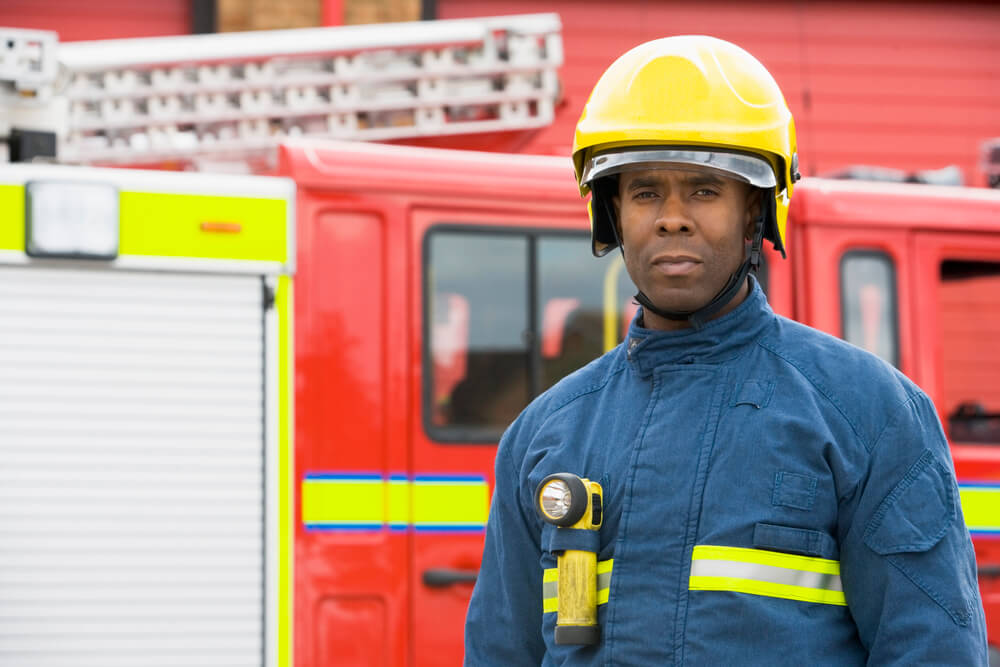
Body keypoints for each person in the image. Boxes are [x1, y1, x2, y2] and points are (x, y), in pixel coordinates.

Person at [464, 35, 987, 665]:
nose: (672, 217)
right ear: (612, 215)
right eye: (645, 192)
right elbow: (501, 651)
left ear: (755, 216)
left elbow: (931, 649)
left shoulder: (869, 414)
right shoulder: (544, 435)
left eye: (705, 190)